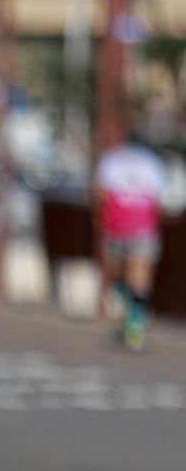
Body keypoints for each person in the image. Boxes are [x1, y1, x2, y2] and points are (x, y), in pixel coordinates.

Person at [94, 129, 168, 351]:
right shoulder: (154, 163)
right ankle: (135, 320)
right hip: (143, 225)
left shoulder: (112, 160)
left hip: (117, 224)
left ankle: (127, 313)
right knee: (140, 277)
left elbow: (99, 193)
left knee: (116, 273)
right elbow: (161, 199)